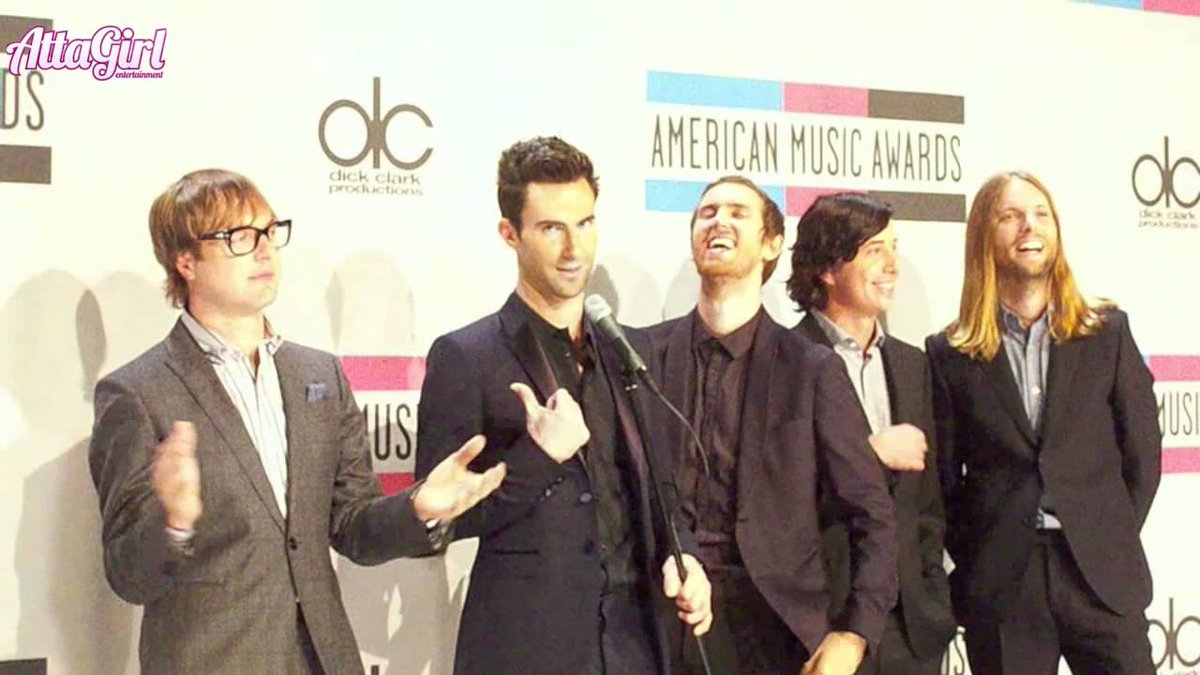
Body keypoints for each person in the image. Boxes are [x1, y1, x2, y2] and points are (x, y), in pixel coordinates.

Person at [89, 168, 539, 674]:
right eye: (238, 236)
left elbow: (353, 526)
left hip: (324, 660)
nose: (264, 250)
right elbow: (128, 576)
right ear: (185, 260)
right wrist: (172, 522)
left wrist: (418, 509)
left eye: (269, 231)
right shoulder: (136, 393)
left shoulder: (318, 374)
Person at [414, 136, 712, 675]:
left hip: (639, 646)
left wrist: (683, 554)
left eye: (586, 223)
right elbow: (439, 520)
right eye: (552, 228)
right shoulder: (466, 356)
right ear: (510, 234)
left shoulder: (632, 351)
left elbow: (661, 494)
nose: (575, 249)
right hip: (529, 650)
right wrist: (537, 458)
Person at [650, 175, 897, 674]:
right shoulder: (642, 358)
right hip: (657, 623)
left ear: (772, 244)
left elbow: (873, 514)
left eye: (737, 213)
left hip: (774, 634)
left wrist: (854, 637)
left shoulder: (811, 369)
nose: (719, 221)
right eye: (707, 212)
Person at [926, 171, 1161, 674]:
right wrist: (984, 552)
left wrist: (1104, 533)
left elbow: (1143, 455)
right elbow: (943, 483)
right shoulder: (949, 353)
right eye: (1010, 217)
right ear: (984, 237)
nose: (1028, 227)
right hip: (1005, 585)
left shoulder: (1108, 333)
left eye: (1040, 214)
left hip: (1100, 577)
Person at [789, 192, 955, 674]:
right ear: (828, 267)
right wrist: (869, 455)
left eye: (894, 248)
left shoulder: (912, 364)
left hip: (912, 628)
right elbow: (775, 499)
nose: (893, 265)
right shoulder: (785, 361)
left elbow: (931, 502)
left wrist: (930, 587)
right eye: (874, 250)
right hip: (826, 625)